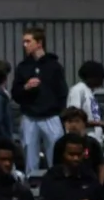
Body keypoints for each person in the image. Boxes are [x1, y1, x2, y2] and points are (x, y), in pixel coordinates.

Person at [9, 27, 66, 177]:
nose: (25, 45)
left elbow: (62, 92)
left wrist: (60, 112)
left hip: (51, 116)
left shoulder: (54, 66)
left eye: (28, 41)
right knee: (29, 156)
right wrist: (25, 87)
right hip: (30, 117)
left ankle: (57, 183)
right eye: (24, 42)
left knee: (56, 155)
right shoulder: (23, 67)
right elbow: (15, 93)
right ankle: (31, 183)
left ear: (39, 43)